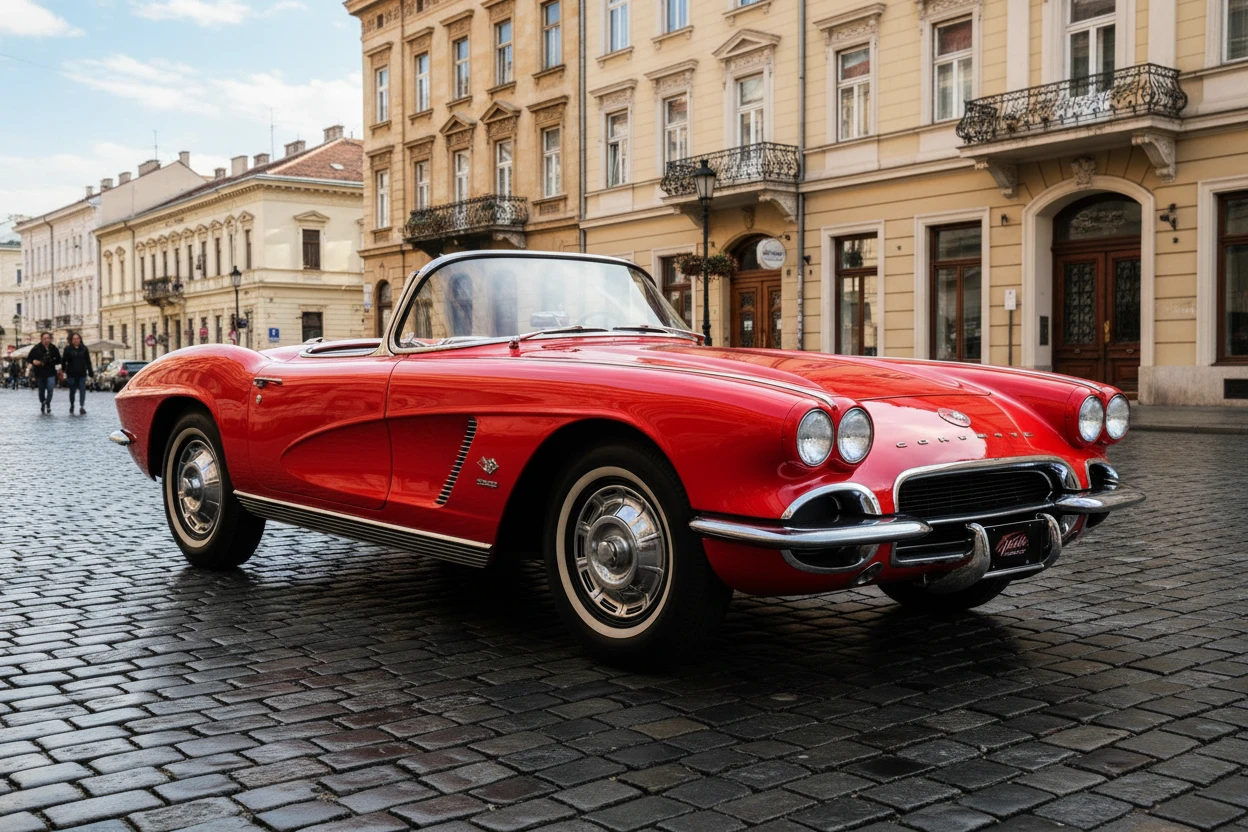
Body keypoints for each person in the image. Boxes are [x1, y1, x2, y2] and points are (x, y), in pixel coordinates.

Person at [28, 332, 61, 415]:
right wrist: (34, 361)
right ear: (41, 339)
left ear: (50, 339)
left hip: (51, 372)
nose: (46, 340)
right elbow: (29, 358)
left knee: (50, 388)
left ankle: (48, 402)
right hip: (40, 372)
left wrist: (52, 361)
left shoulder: (53, 348)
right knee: (41, 390)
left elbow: (59, 359)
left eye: (48, 338)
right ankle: (43, 402)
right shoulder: (37, 348)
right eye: (44, 338)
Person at [61, 332, 94, 415]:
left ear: (80, 339)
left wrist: (90, 372)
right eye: (74, 339)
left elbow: (88, 361)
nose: (76, 340)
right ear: (71, 340)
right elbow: (64, 361)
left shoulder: (84, 349)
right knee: (72, 391)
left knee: (82, 390)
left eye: (77, 338)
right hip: (71, 373)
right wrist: (63, 370)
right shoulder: (68, 349)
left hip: (82, 373)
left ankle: (82, 406)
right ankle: (72, 404)